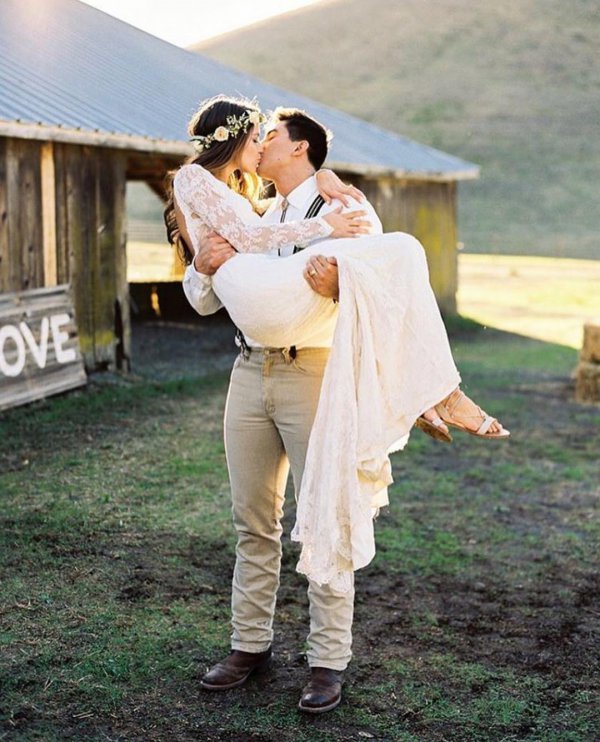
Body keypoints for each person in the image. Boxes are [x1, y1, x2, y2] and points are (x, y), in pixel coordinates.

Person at [165, 95, 509, 713]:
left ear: (299, 147)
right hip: (249, 370)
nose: (260, 140)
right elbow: (205, 300)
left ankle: (327, 660)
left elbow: (380, 277)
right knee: (253, 520)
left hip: (314, 372)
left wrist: (341, 282)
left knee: (329, 513)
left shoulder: (343, 206)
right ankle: (249, 645)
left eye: (272, 133)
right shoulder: (252, 211)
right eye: (257, 132)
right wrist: (203, 266)